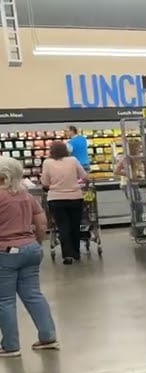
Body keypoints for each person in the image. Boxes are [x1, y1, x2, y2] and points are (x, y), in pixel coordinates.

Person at [0, 156, 58, 357]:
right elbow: (42, 224)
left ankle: (10, 345)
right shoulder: (26, 196)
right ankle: (48, 337)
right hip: (30, 249)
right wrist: (35, 243)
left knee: (5, 300)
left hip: (5, 252)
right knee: (33, 294)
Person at [40, 141, 87, 265]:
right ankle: (76, 253)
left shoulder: (47, 162)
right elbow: (84, 176)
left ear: (51, 151)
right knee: (75, 225)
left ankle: (67, 256)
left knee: (63, 227)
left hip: (56, 199)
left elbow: (44, 182)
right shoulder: (73, 160)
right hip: (75, 197)